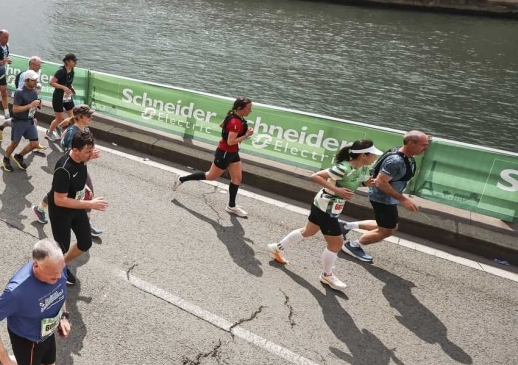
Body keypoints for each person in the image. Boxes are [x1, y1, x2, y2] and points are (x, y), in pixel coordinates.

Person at [266, 140, 383, 290]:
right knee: (336, 243)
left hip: (327, 205)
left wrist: (369, 184)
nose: (375, 157)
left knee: (308, 232)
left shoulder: (362, 168)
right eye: (373, 154)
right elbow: (316, 176)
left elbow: (356, 181)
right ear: (363, 156)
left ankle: (277, 247)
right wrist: (338, 191)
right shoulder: (343, 167)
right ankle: (327, 275)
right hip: (326, 207)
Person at [342, 131, 431, 263]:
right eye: (423, 145)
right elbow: (381, 182)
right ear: (411, 144)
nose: (426, 148)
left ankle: (345, 226)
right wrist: (403, 199)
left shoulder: (402, 153)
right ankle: (353, 245)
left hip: (387, 198)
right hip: (383, 199)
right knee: (388, 230)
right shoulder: (396, 161)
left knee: (383, 225)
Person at [173, 97, 254, 217]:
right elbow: (231, 141)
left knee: (237, 178)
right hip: (225, 153)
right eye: (248, 108)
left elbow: (222, 124)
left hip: (233, 152)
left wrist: (230, 130)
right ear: (239, 108)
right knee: (211, 176)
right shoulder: (235, 122)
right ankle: (181, 179)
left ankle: (231, 206)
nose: (250, 111)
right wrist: (246, 135)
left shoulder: (234, 116)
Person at [47, 130, 108, 285]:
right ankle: (51, 273)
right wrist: (90, 204)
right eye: (88, 152)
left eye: (92, 150)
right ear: (74, 150)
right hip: (61, 212)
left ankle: (61, 264)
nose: (90, 154)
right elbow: (59, 200)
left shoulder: (81, 158)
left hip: (76, 206)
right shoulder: (63, 169)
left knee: (85, 242)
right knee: (62, 247)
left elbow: (80, 169)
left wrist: (88, 158)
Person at [33, 105, 103, 237]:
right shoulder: (72, 133)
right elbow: (74, 155)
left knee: (56, 191)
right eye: (89, 116)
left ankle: (39, 208)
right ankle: (86, 224)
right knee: (86, 193)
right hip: (71, 168)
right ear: (80, 117)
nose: (91, 118)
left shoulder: (84, 129)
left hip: (80, 166)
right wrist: (89, 156)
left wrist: (90, 154)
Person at [1, 71, 43, 173]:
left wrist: (38, 106)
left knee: (34, 144)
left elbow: (33, 105)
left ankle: (19, 156)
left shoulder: (34, 91)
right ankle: (6, 158)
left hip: (29, 121)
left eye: (36, 80)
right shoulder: (19, 92)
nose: (36, 82)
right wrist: (30, 105)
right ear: (26, 80)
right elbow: (15, 109)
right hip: (19, 121)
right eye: (33, 80)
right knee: (14, 144)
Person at [0, 57, 42, 142]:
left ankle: (34, 144)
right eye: (38, 65)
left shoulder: (34, 75)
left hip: (31, 104)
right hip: (22, 104)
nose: (40, 67)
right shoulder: (24, 75)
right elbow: (21, 90)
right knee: (16, 122)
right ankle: (1, 127)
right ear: (32, 65)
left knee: (33, 121)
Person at [46, 53, 78, 141]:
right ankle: (49, 132)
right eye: (74, 61)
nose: (76, 62)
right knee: (59, 118)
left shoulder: (72, 71)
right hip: (58, 96)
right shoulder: (61, 71)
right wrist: (63, 87)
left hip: (67, 97)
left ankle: (60, 127)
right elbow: (52, 82)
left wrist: (71, 88)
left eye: (76, 61)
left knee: (73, 117)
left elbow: (68, 82)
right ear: (67, 61)